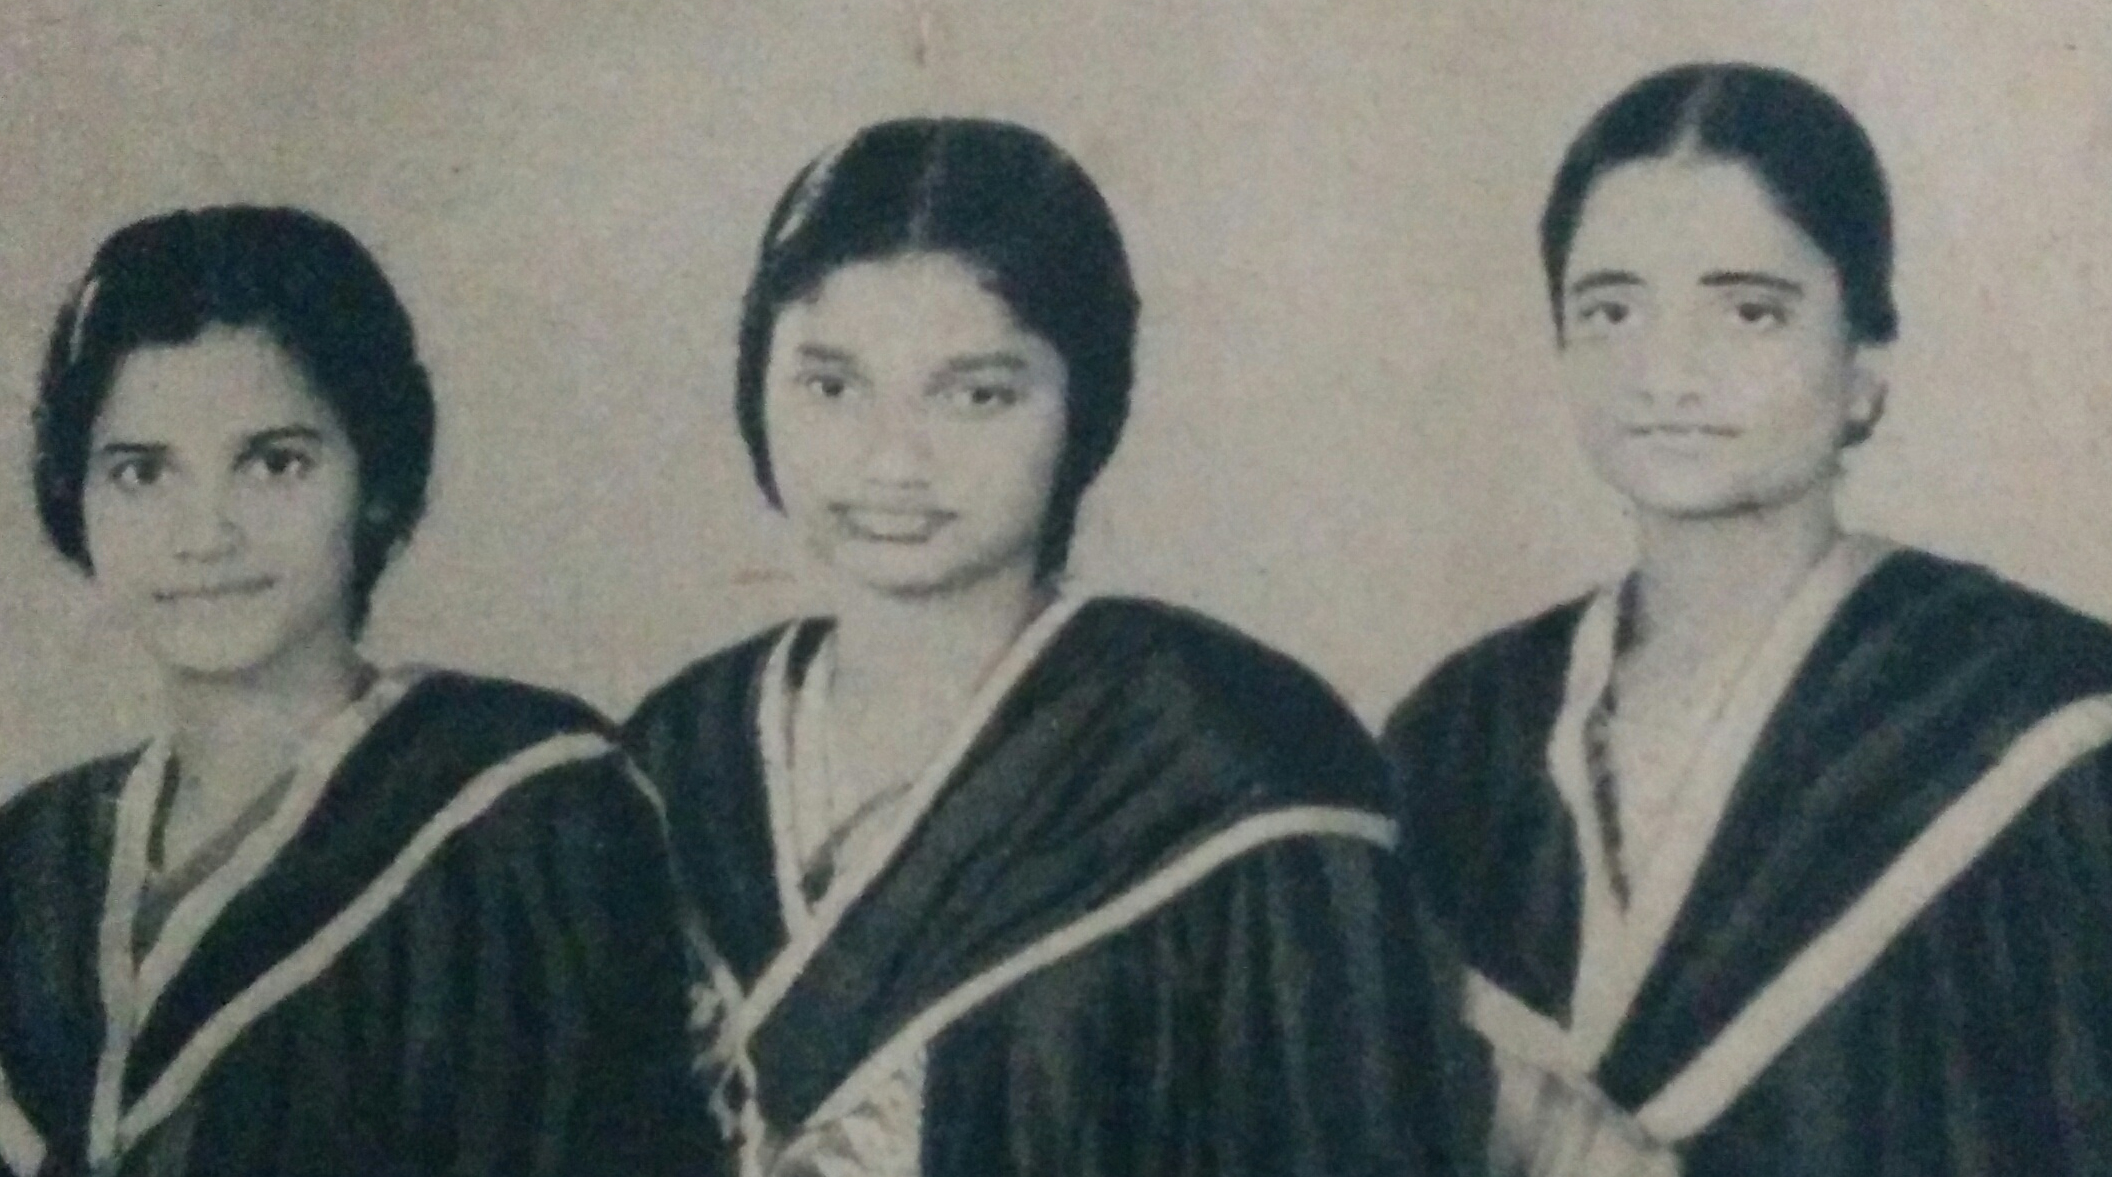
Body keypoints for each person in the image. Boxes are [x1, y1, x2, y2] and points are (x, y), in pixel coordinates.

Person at [623, 117, 1465, 1177]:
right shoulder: (678, 749)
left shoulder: (1238, 756)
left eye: (977, 394)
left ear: (1087, 405)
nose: (892, 458)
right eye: (831, 385)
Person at [1380, 62, 2112, 1175]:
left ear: (1866, 363)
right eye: (1612, 308)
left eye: (1749, 310)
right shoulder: (1462, 731)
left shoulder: (2040, 721)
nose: (1668, 370)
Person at [0, 206, 711, 1177]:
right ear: (71, 494)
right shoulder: (37, 857)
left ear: (377, 476)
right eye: (141, 472)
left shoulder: (523, 813)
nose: (204, 532)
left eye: (274, 462)